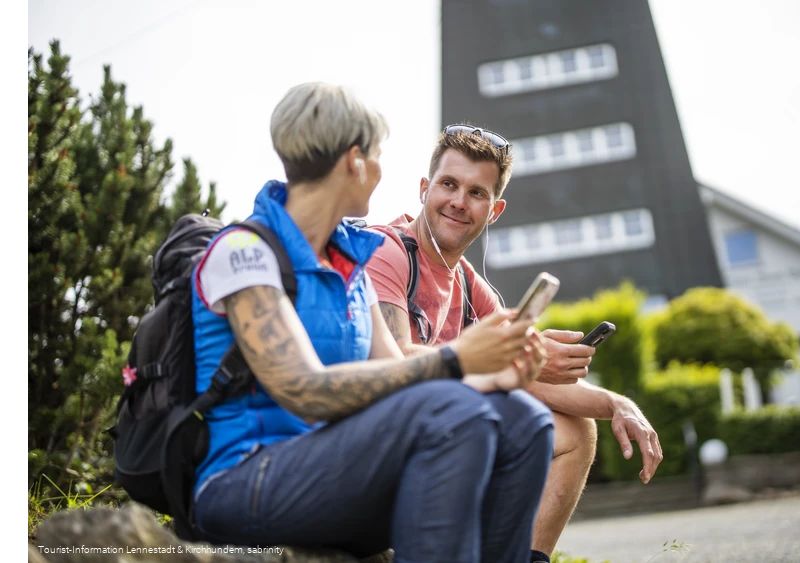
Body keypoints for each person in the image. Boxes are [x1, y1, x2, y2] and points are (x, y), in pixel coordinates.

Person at [189, 83, 557, 563]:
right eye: (378, 156)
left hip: (338, 466)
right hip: (247, 480)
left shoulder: (350, 266)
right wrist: (457, 360)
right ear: (355, 161)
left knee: (525, 422)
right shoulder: (244, 252)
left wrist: (491, 376)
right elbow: (305, 390)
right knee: (454, 413)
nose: (382, 172)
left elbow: (394, 371)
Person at [365, 124, 664, 563]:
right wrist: (515, 362)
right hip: (378, 441)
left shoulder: (472, 288)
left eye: (477, 193)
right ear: (425, 189)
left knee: (576, 431)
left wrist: (616, 404)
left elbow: (530, 378)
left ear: (495, 210)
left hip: (446, 435)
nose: (459, 201)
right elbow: (395, 362)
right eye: (448, 185)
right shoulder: (386, 251)